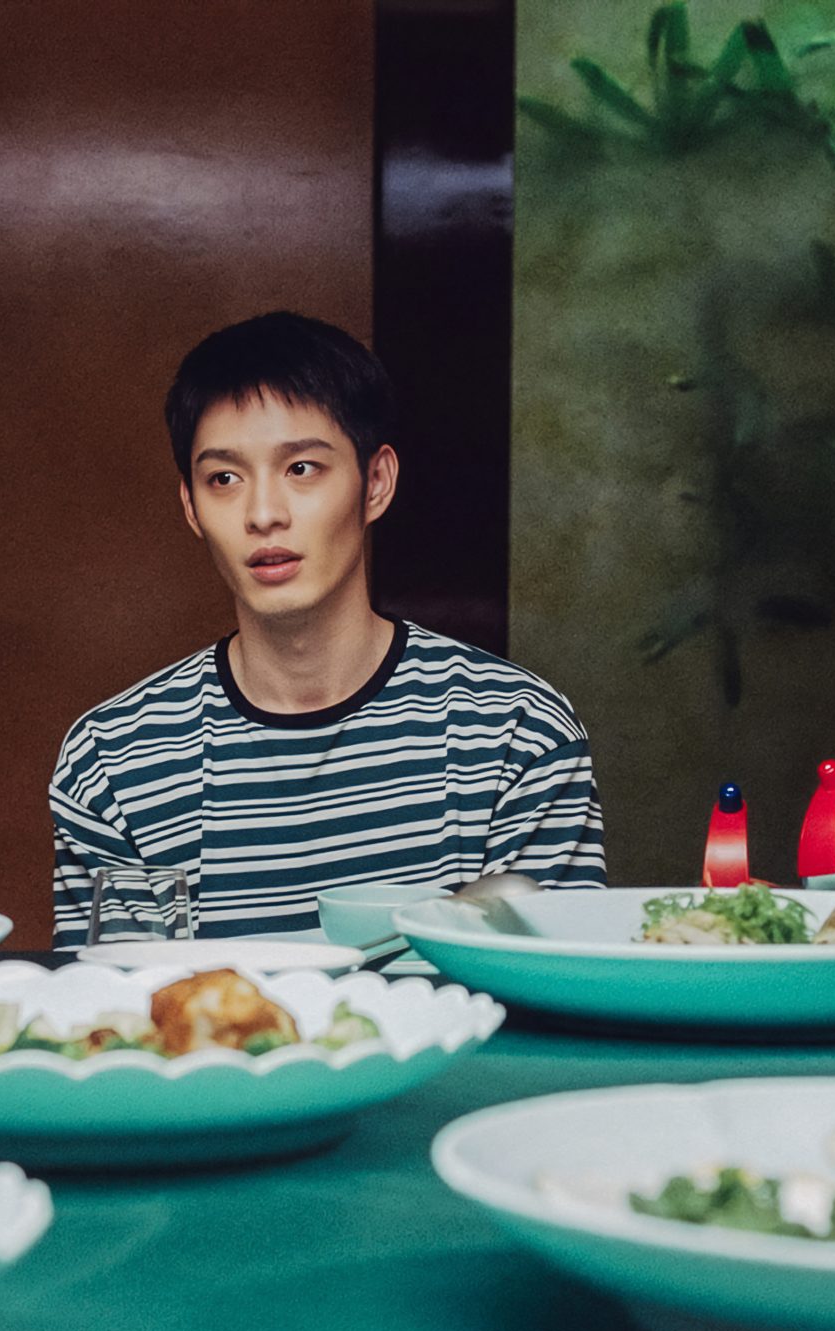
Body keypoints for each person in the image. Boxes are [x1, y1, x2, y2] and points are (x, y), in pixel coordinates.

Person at [49, 312, 605, 945]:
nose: (263, 514)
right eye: (224, 479)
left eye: (302, 469)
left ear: (376, 483)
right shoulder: (115, 764)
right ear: (191, 507)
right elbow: (122, 1003)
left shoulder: (514, 733)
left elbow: (552, 990)